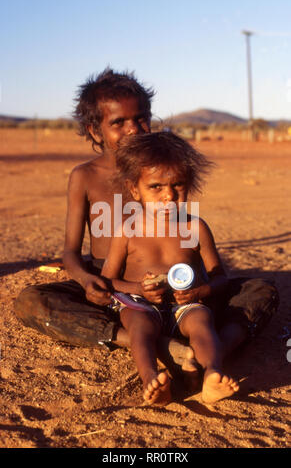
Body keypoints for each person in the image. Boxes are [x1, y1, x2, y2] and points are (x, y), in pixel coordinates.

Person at [14, 68, 279, 380]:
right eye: (119, 123)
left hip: (182, 290)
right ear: (95, 130)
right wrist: (87, 281)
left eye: (141, 118)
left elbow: (187, 237)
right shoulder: (84, 177)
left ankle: (211, 350)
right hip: (116, 289)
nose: (134, 129)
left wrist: (198, 288)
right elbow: (71, 252)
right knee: (32, 301)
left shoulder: (168, 170)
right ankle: (162, 346)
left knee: (261, 290)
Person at [101, 131, 241, 405]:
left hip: (184, 303)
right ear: (134, 190)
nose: (169, 196)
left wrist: (201, 290)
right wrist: (138, 288)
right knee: (139, 328)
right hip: (141, 303)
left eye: (178, 185)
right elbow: (107, 281)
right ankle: (152, 380)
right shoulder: (127, 231)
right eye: (156, 187)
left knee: (202, 323)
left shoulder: (195, 227)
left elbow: (220, 278)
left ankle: (212, 375)